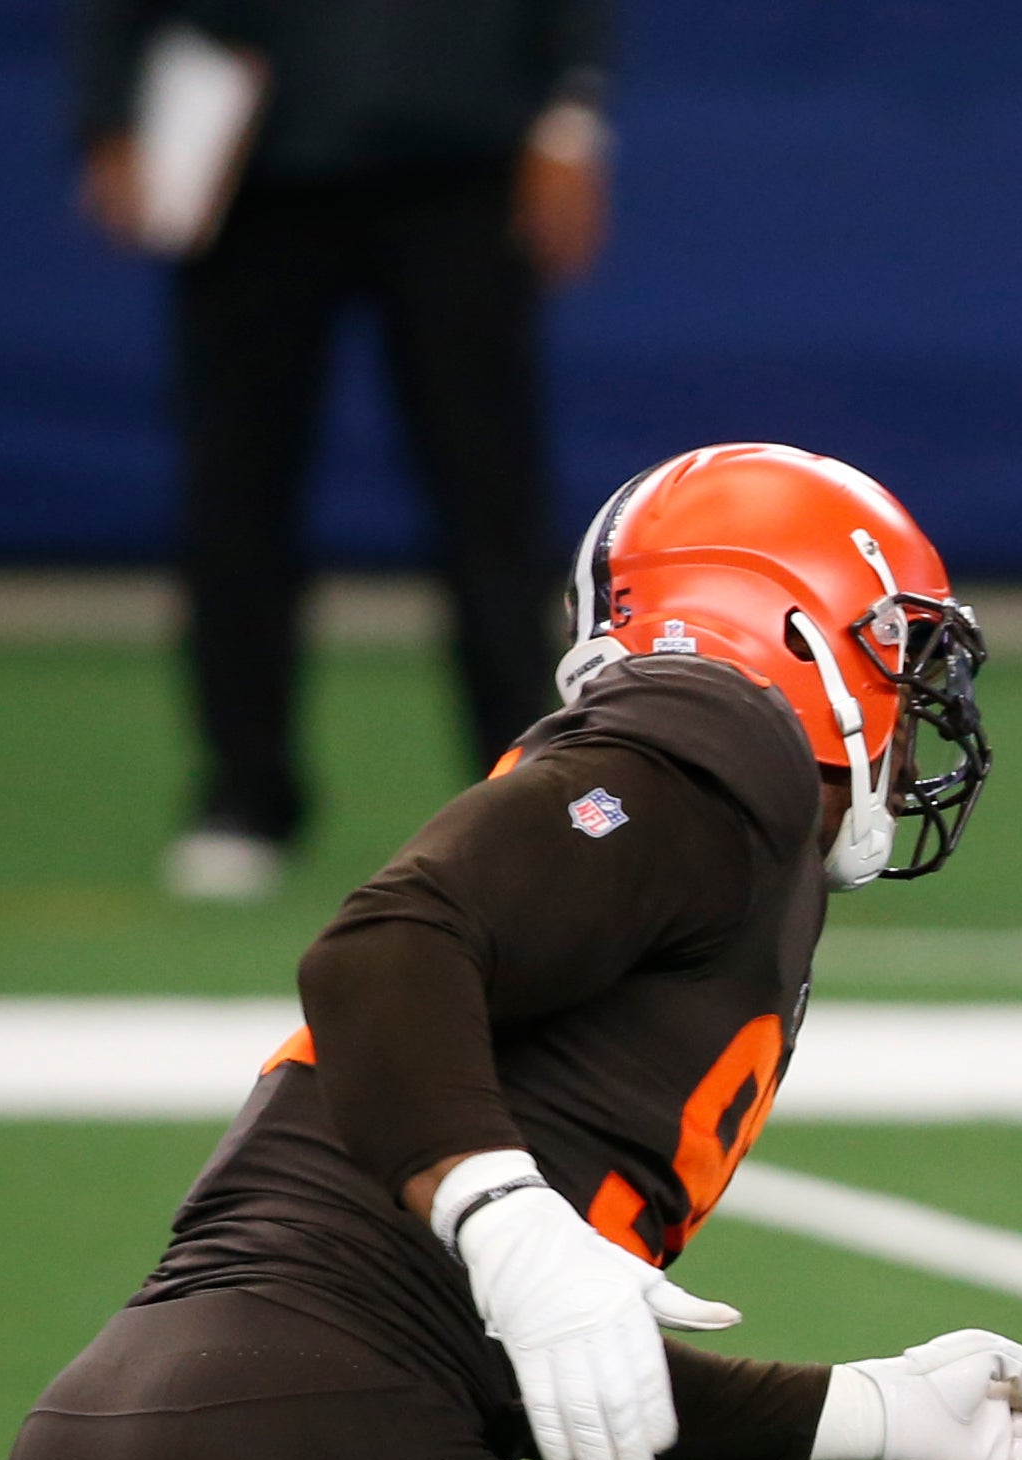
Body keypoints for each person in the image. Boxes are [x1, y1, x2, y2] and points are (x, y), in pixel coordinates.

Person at [0, 444, 1022, 1460]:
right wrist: (503, 1211)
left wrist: (864, 1410)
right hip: (313, 1458)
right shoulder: (710, 733)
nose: (920, 714)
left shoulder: (691, 830)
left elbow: (480, 1343)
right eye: (902, 654)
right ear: (800, 626)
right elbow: (386, 943)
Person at [71, 0, 617, 899]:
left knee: (489, 498)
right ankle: (244, 796)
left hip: (459, 169)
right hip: (252, 171)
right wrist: (108, 115)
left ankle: (526, 783)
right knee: (237, 495)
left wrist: (571, 120)